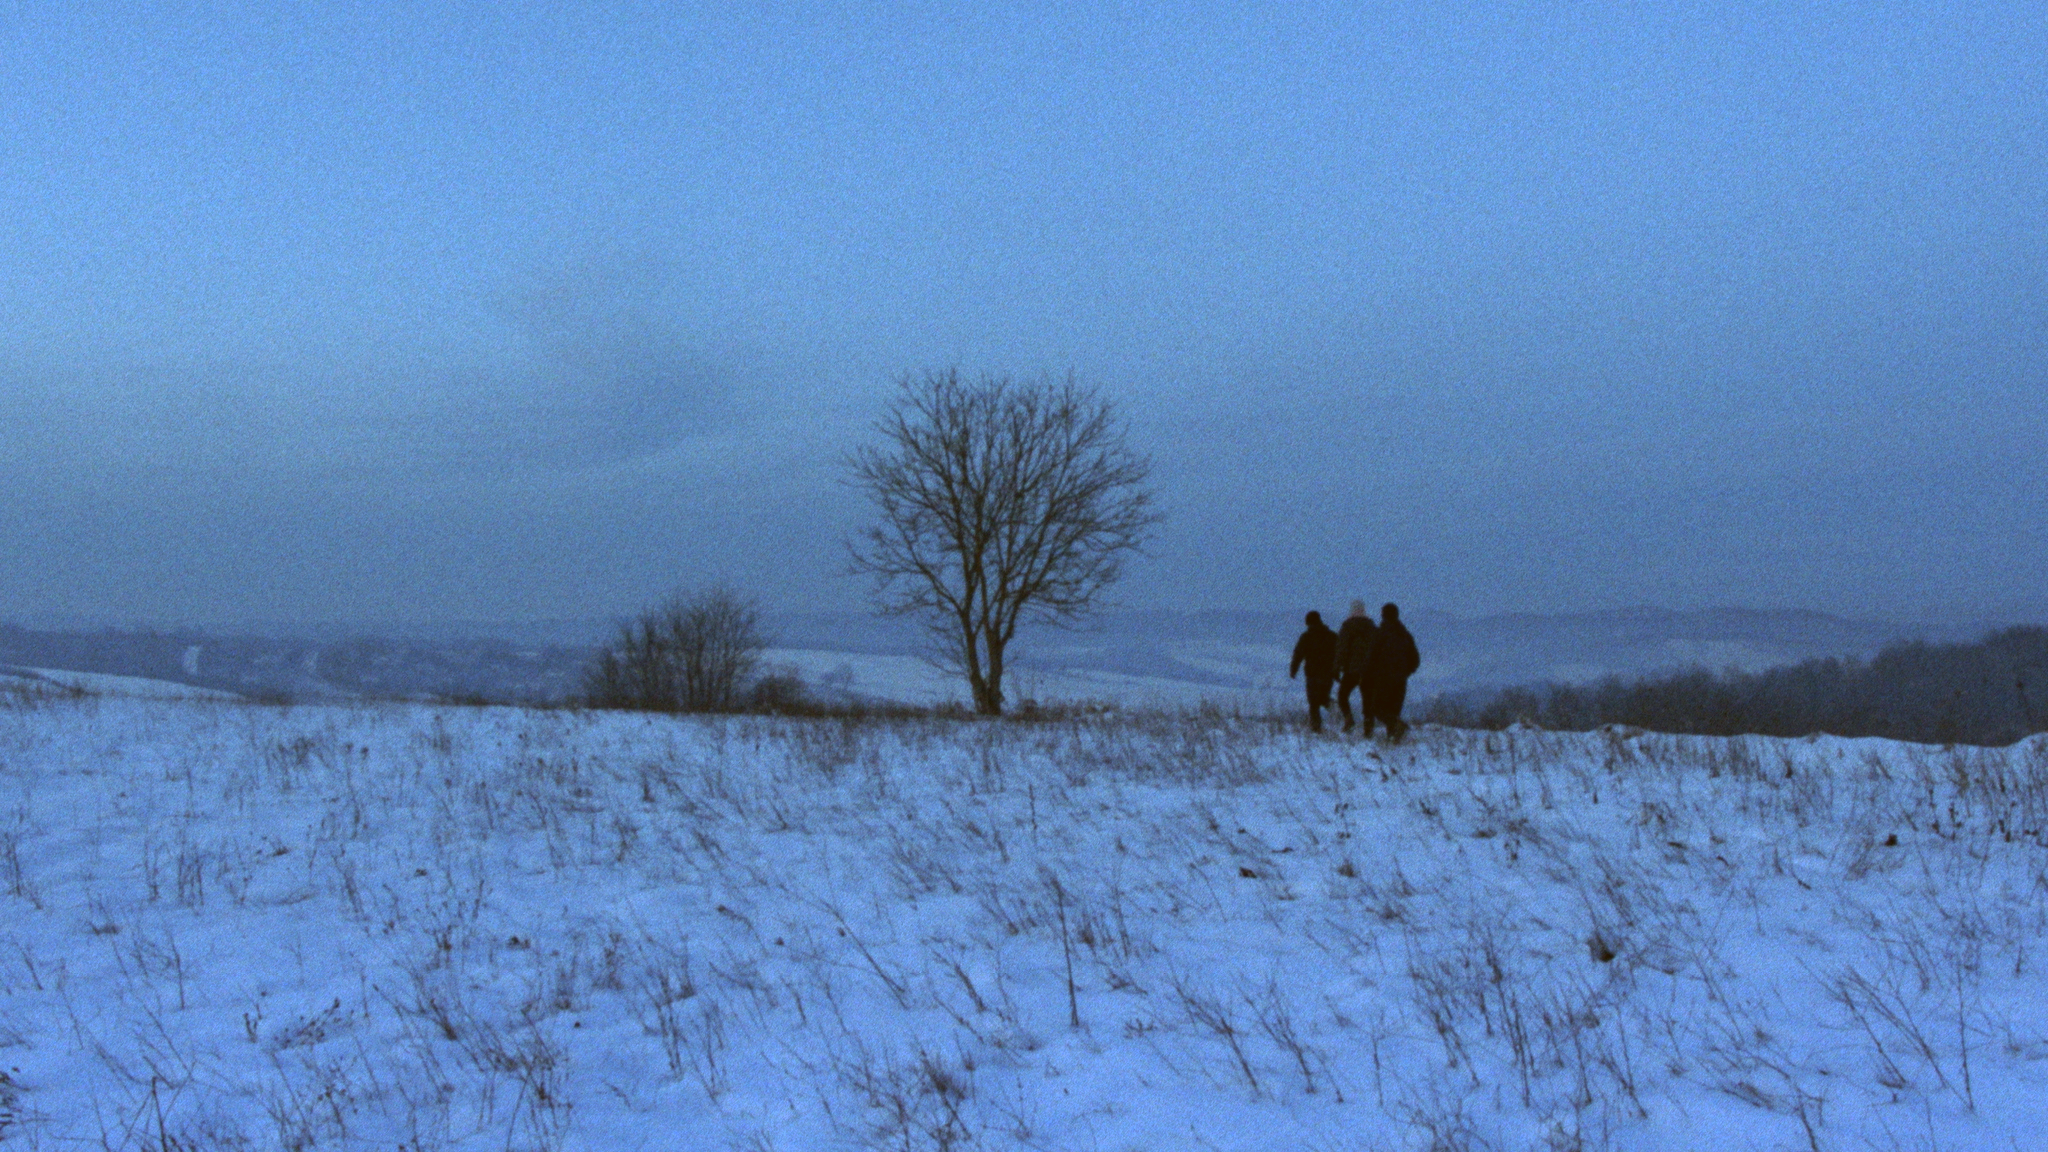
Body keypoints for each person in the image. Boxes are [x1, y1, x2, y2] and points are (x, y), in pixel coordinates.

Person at [1366, 602, 1421, 742]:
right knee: (1394, 710)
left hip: (1383, 678)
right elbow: (1415, 659)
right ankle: (1393, 739)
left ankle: (1395, 729)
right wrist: (1406, 672)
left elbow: (1371, 657)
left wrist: (1369, 674)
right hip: (1400, 679)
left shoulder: (1380, 634)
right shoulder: (1405, 635)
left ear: (1383, 616)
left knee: (1377, 708)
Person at [1332, 599, 1378, 733]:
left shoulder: (1347, 627)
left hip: (1351, 670)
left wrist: (1336, 668)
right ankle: (1368, 729)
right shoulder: (1372, 628)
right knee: (1368, 699)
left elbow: (1341, 649)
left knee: (1342, 696)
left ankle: (1348, 718)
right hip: (1369, 671)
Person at [1289, 610, 1338, 732]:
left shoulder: (1306, 637)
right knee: (1323, 697)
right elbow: (1340, 654)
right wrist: (1338, 671)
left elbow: (1298, 654)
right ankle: (1332, 706)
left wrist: (1293, 669)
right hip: (1328, 673)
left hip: (1312, 674)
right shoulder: (1332, 636)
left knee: (1313, 703)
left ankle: (1316, 728)